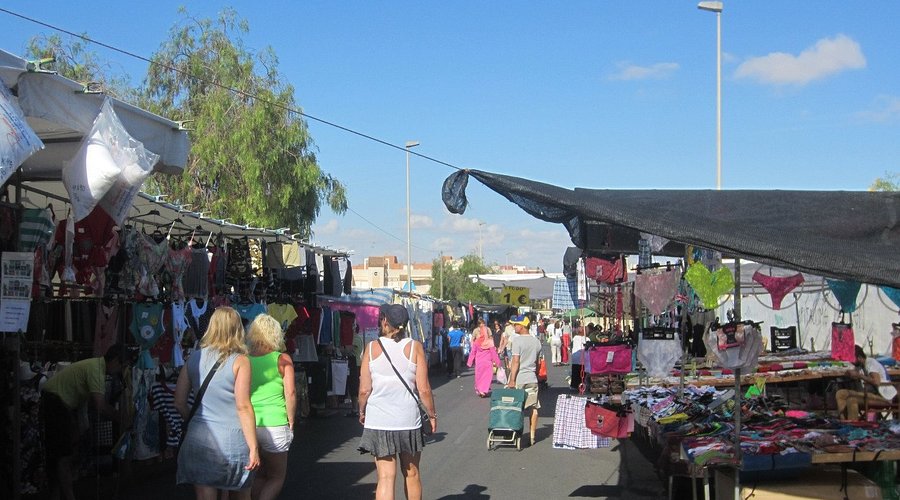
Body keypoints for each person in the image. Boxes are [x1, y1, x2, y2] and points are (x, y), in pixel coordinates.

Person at [175, 307, 260, 499]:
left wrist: (194, 421)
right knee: (240, 494)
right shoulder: (240, 361)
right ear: (238, 329)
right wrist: (254, 447)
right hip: (232, 441)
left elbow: (179, 402)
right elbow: (243, 406)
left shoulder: (194, 358)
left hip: (198, 439)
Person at [358, 303, 437, 500]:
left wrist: (361, 410)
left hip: (379, 419)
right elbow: (424, 389)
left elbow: (364, 389)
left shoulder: (371, 347)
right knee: (412, 473)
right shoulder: (415, 347)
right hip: (408, 420)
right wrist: (432, 415)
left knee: (385, 477)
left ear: (385, 321)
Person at [41, 343, 126, 500]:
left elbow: (93, 404)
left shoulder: (94, 366)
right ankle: (68, 496)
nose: (118, 371)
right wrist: (121, 418)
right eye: (120, 366)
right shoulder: (96, 370)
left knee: (62, 452)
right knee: (62, 455)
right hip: (56, 403)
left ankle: (58, 494)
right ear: (115, 361)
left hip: (62, 404)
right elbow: (100, 405)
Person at [246, 314, 296, 500]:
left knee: (258, 475)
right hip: (275, 423)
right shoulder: (282, 359)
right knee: (276, 477)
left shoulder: (244, 360)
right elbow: (290, 393)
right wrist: (291, 419)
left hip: (250, 424)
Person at [504, 314, 542, 445]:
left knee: (516, 407)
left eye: (515, 324)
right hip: (532, 379)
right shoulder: (536, 342)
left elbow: (515, 362)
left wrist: (512, 380)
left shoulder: (517, 341)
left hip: (519, 379)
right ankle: (532, 436)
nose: (514, 327)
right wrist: (535, 374)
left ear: (522, 326)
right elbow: (538, 364)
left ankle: (516, 433)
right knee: (533, 407)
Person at [836, 344, 897, 420]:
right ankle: (844, 421)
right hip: (869, 394)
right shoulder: (860, 366)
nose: (851, 362)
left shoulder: (871, 363)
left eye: (852, 360)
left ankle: (853, 425)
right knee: (840, 393)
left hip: (882, 396)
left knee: (852, 400)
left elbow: (876, 381)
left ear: (859, 357)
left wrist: (859, 375)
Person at [467, 319, 502, 397]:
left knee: (479, 376)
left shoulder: (476, 342)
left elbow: (473, 352)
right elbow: (493, 353)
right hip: (487, 362)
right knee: (487, 376)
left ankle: (480, 390)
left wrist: (469, 362)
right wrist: (498, 362)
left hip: (479, 361)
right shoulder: (490, 342)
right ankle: (484, 390)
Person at [570, 324, 588, 391]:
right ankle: (583, 384)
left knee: (575, 372)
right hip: (583, 358)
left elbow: (571, 346)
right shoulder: (587, 339)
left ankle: (574, 385)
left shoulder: (575, 338)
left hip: (576, 357)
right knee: (583, 372)